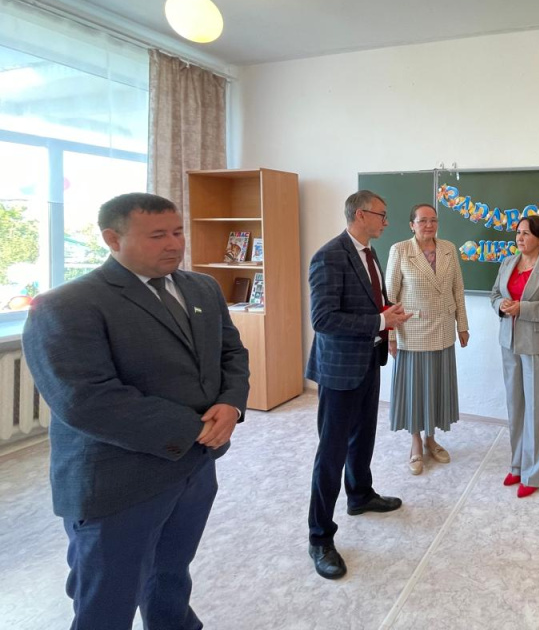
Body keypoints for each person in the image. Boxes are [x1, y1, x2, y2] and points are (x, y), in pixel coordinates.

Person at [22, 192, 250, 630]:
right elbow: (86, 401)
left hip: (194, 468)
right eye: (157, 235)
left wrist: (231, 404)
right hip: (118, 481)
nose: (174, 244)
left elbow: (231, 352)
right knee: (108, 599)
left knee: (170, 573)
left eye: (178, 232)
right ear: (113, 239)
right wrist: (195, 428)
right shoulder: (66, 305)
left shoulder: (201, 288)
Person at [306, 190, 413, 580]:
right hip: (340, 370)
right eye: (382, 215)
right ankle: (320, 536)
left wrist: (385, 315)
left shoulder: (369, 252)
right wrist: (380, 322)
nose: (387, 221)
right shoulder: (329, 256)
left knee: (363, 436)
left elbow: (366, 304)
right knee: (331, 452)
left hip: (369, 359)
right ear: (361, 214)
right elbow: (323, 319)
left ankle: (360, 495)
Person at [489, 215, 539, 498]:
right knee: (516, 405)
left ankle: (533, 474)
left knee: (538, 409)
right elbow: (494, 294)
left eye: (526, 233)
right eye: (518, 232)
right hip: (509, 342)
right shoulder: (508, 263)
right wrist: (502, 305)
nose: (520, 238)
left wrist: (523, 308)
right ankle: (517, 464)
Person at [385, 203, 470, 474]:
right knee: (415, 390)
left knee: (436, 387)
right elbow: (390, 297)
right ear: (412, 225)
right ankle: (415, 443)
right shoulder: (400, 250)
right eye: (422, 221)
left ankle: (431, 438)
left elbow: (458, 289)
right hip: (412, 332)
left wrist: (462, 326)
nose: (429, 225)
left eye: (433, 220)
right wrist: (390, 337)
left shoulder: (448, 248)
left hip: (443, 330)